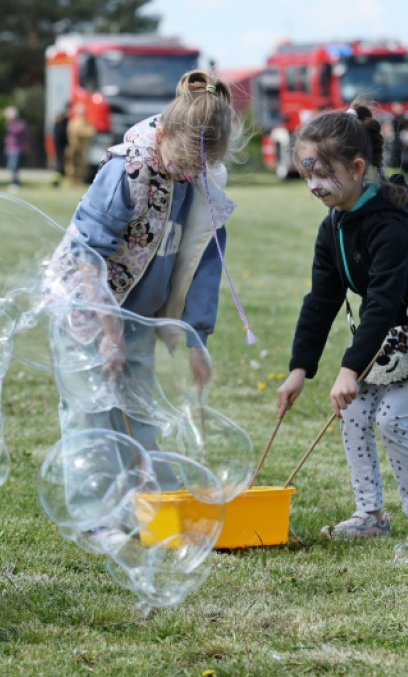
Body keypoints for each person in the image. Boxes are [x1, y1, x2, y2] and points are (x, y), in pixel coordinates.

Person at [275, 100, 408, 545]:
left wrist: (348, 368)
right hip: (387, 342)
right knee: (355, 411)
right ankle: (370, 515)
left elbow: (381, 302)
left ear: (358, 167)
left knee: (392, 419)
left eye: (322, 174)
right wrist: (299, 369)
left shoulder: (391, 226)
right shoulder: (333, 227)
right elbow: (321, 300)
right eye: (307, 176)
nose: (313, 186)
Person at [47, 70, 245, 484]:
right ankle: (98, 517)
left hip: (136, 316)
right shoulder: (126, 172)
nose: (186, 172)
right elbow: (89, 255)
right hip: (86, 310)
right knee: (93, 415)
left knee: (139, 413)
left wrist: (197, 340)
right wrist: (108, 331)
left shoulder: (195, 179)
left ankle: (148, 503)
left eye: (198, 166)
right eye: (185, 160)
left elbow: (202, 261)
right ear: (165, 132)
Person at [66, 102, 95, 185]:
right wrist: (83, 132)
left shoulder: (87, 123)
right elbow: (74, 132)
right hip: (74, 147)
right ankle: (72, 181)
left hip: (83, 148)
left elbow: (91, 132)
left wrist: (83, 132)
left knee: (82, 165)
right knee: (71, 165)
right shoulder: (73, 122)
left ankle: (79, 181)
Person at [3, 105, 28, 191]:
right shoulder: (9, 124)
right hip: (10, 148)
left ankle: (15, 182)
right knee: (11, 166)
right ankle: (13, 182)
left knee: (14, 166)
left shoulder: (19, 124)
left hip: (16, 148)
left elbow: (17, 133)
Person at [51, 106, 69, 187]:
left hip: (59, 147)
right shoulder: (63, 123)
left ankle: (57, 180)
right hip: (61, 147)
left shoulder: (57, 124)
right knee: (60, 164)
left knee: (59, 163)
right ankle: (56, 180)